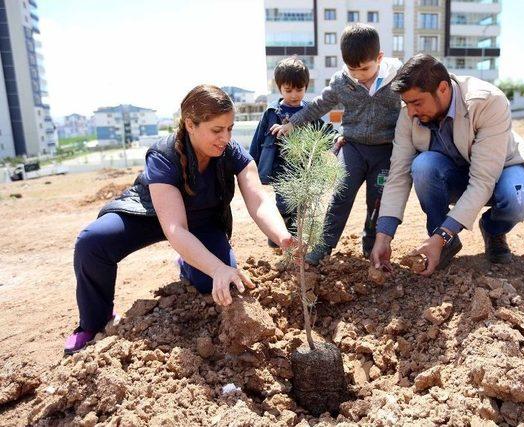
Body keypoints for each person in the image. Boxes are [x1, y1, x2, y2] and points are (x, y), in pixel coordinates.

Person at [65, 85, 296, 355]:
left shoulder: (231, 152)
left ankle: (189, 262)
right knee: (92, 242)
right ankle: (92, 324)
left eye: (230, 128)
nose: (226, 137)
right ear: (190, 124)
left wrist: (282, 236)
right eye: (217, 130)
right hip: (149, 212)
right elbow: (174, 228)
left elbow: (258, 199)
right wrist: (218, 267)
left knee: (210, 282)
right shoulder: (163, 155)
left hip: (202, 220)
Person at [371, 54, 524, 276]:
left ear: (442, 88)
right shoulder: (410, 114)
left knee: (520, 199)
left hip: (501, 172)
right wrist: (383, 236)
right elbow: (398, 175)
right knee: (423, 166)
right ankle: (443, 241)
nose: (411, 112)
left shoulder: (488, 101)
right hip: (455, 176)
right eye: (407, 104)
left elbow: (483, 180)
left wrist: (447, 232)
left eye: (416, 102)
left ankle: (492, 229)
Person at [272, 24, 402, 264]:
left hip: (385, 151)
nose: (360, 74)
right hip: (353, 147)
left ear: (379, 58)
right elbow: (319, 105)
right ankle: (324, 247)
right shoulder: (342, 82)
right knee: (341, 194)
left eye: (365, 68)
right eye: (353, 69)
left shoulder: (398, 78)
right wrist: (294, 123)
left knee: (378, 199)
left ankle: (371, 244)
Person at [250, 57, 331, 248]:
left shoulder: (310, 111)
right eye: (288, 90)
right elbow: (258, 140)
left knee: (301, 207)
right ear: (279, 88)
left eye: (299, 89)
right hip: (280, 169)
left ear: (306, 86)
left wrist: (335, 140)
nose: (294, 95)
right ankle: (279, 235)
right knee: (284, 203)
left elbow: (323, 132)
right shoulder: (272, 113)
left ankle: (294, 241)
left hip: (305, 169)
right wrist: (252, 166)